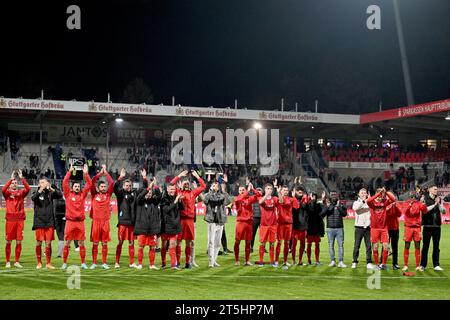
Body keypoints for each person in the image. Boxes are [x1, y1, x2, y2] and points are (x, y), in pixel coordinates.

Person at [170, 169, 206, 269]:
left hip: (190, 221)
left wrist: (197, 176)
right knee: (179, 241)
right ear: (182, 185)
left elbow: (203, 186)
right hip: (180, 220)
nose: (186, 185)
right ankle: (177, 262)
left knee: (188, 242)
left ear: (189, 185)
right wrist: (180, 175)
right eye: (184, 183)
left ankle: (187, 262)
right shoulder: (178, 192)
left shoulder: (193, 193)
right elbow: (171, 183)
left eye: (187, 183)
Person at [114, 168, 147, 268]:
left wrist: (144, 178)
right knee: (120, 242)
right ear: (123, 186)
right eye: (126, 185)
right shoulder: (120, 194)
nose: (128, 187)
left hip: (132, 224)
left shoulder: (134, 193)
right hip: (123, 223)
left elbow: (145, 190)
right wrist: (120, 177)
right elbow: (115, 188)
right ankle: (117, 262)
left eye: (129, 185)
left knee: (131, 242)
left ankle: (132, 262)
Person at [61, 164, 91, 270]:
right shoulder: (68, 194)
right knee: (67, 242)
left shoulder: (82, 195)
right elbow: (64, 182)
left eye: (78, 186)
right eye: (75, 186)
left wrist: (86, 174)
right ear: (72, 187)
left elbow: (89, 184)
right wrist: (69, 171)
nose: (77, 188)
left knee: (81, 243)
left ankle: (83, 263)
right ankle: (64, 263)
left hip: (80, 222)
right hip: (70, 222)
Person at [31, 178, 62, 269]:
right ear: (39, 184)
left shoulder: (50, 193)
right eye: (41, 182)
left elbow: (59, 195)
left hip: (49, 222)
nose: (43, 184)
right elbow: (33, 198)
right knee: (39, 243)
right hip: (39, 222)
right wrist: (40, 189)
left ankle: (48, 263)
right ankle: (39, 263)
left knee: (48, 243)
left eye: (44, 182)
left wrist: (51, 188)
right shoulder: (36, 192)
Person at [2, 170, 30, 268]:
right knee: (8, 241)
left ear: (18, 185)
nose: (14, 184)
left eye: (15, 183)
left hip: (20, 220)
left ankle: (17, 261)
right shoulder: (7, 194)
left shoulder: (21, 193)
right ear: (10, 185)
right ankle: (8, 261)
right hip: (10, 220)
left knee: (19, 241)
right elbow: (3, 189)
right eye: (13, 183)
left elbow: (28, 188)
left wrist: (22, 178)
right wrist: (10, 179)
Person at [89, 164, 114, 270]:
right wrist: (100, 174)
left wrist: (106, 172)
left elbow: (112, 182)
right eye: (102, 186)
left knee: (104, 243)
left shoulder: (108, 195)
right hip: (96, 222)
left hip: (105, 222)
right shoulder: (94, 195)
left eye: (104, 186)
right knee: (95, 243)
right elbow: (92, 181)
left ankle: (104, 262)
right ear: (98, 187)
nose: (103, 188)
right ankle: (94, 262)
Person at [203, 176, 232, 267]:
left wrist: (223, 190)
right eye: (213, 185)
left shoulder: (222, 195)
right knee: (211, 242)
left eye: (216, 185)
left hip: (220, 220)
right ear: (211, 186)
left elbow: (228, 201)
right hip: (211, 220)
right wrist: (211, 191)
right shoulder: (208, 194)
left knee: (218, 243)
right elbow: (205, 200)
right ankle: (210, 261)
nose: (215, 186)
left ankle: (214, 260)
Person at [134, 178, 161, 270]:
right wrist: (148, 188)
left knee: (152, 247)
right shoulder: (140, 202)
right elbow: (139, 197)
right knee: (141, 247)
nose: (149, 193)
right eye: (147, 192)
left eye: (150, 192)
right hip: (142, 228)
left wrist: (155, 186)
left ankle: (152, 264)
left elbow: (159, 196)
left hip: (152, 229)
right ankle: (140, 264)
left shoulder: (154, 202)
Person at [366, 187, 395, 270]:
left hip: (384, 228)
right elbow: (368, 201)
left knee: (386, 246)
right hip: (374, 228)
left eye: (381, 194)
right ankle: (377, 264)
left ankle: (383, 264)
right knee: (375, 247)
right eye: (378, 194)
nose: (379, 196)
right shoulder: (372, 203)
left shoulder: (384, 202)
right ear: (376, 194)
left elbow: (393, 200)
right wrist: (378, 194)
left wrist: (386, 193)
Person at [419, 185, 447, 271]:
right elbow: (425, 210)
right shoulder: (424, 199)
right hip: (427, 226)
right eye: (435, 189)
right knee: (425, 246)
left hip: (437, 227)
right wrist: (434, 204)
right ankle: (423, 265)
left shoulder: (439, 199)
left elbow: (444, 211)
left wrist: (438, 204)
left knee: (436, 246)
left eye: (437, 189)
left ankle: (436, 265)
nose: (436, 191)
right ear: (430, 190)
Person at [233, 180, 260, 266]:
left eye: (243, 190)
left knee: (248, 242)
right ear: (238, 191)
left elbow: (258, 196)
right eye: (240, 190)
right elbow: (240, 198)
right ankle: (237, 260)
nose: (241, 191)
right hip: (240, 223)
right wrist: (248, 191)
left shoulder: (249, 199)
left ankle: (247, 260)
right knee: (237, 241)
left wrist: (253, 189)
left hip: (249, 223)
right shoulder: (237, 199)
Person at [321, 191, 347, 268]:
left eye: (335, 194)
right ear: (330, 195)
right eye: (332, 195)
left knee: (340, 246)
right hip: (330, 229)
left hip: (339, 228)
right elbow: (322, 214)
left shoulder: (341, 204)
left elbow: (344, 214)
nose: (333, 196)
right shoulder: (327, 204)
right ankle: (332, 261)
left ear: (337, 195)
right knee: (330, 245)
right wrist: (327, 207)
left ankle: (341, 261)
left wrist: (338, 206)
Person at [159, 184, 184, 269]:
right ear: (167, 190)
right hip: (165, 227)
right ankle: (163, 262)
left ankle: (173, 265)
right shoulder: (163, 199)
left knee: (172, 246)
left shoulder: (175, 198)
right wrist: (176, 201)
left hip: (175, 225)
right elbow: (167, 210)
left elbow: (182, 208)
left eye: (173, 189)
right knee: (164, 246)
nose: (172, 191)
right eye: (171, 189)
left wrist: (180, 201)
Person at [402, 191, 427, 271]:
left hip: (417, 227)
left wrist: (423, 204)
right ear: (409, 196)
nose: (412, 197)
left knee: (417, 246)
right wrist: (410, 204)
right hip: (408, 227)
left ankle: (417, 265)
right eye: (411, 196)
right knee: (407, 245)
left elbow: (425, 211)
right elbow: (405, 212)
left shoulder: (419, 203)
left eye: (413, 196)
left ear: (415, 196)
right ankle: (405, 265)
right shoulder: (406, 203)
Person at [275, 185, 299, 270]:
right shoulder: (278, 198)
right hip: (280, 223)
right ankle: (277, 260)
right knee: (279, 242)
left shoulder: (291, 199)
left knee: (286, 243)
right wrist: (278, 192)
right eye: (284, 190)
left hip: (288, 223)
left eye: (287, 190)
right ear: (281, 191)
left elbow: (297, 207)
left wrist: (294, 197)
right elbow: (281, 201)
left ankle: (285, 260)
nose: (286, 191)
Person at [351, 188, 373, 269]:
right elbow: (355, 208)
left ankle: (369, 262)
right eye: (362, 193)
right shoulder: (356, 202)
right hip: (358, 227)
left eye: (365, 193)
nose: (364, 194)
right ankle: (354, 261)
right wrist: (364, 201)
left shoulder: (369, 203)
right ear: (358, 194)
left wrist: (369, 200)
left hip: (367, 227)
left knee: (368, 246)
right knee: (357, 245)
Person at [258, 183, 279, 267]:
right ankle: (261, 261)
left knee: (272, 243)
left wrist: (278, 191)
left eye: (270, 189)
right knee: (262, 243)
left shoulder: (274, 198)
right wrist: (266, 195)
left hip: (273, 225)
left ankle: (271, 261)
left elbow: (281, 201)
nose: (269, 190)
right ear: (265, 190)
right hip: (264, 225)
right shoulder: (261, 198)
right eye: (268, 188)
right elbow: (260, 202)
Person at [291, 185, 309, 266]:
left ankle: (300, 260)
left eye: (301, 191)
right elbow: (296, 207)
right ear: (296, 192)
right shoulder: (293, 200)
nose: (300, 192)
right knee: (294, 245)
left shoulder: (306, 201)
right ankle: (294, 260)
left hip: (303, 226)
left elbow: (307, 207)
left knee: (302, 245)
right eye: (298, 191)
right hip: (295, 226)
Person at [306, 193, 325, 266]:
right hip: (309, 228)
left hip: (317, 228)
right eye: (312, 197)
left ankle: (317, 260)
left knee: (317, 245)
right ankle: (309, 260)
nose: (313, 198)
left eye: (314, 197)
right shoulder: (308, 205)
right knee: (309, 245)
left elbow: (324, 209)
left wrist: (322, 200)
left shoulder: (318, 206)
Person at [386, 200, 402, 270]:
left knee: (394, 247)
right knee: (385, 246)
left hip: (395, 229)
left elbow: (400, 214)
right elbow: (384, 213)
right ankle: (382, 262)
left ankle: (395, 263)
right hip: (386, 228)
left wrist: (395, 207)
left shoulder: (396, 204)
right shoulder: (385, 204)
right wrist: (390, 207)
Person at [54, 185, 66, 258]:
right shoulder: (63, 201)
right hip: (62, 220)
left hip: (56, 220)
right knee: (62, 236)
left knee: (61, 237)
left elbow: (55, 212)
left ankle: (59, 253)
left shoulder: (55, 201)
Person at [250, 187, 263, 252]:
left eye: (260, 191)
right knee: (253, 234)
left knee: (263, 234)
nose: (258, 192)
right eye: (257, 191)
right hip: (254, 218)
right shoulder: (253, 198)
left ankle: (263, 247)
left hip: (262, 218)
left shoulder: (263, 198)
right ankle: (251, 247)